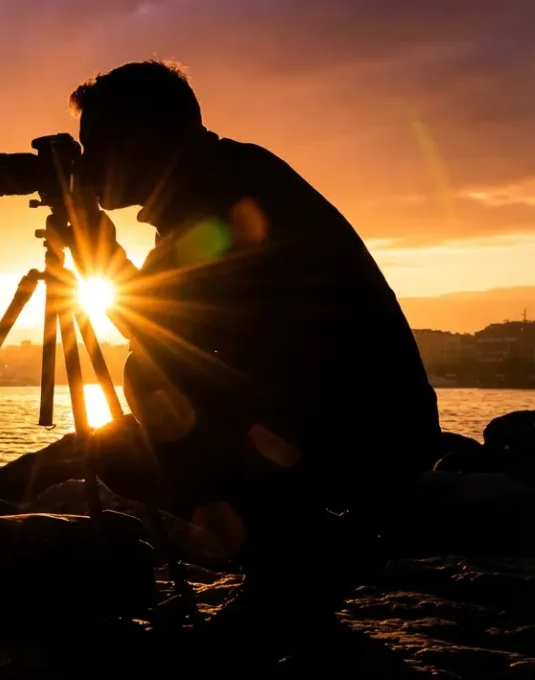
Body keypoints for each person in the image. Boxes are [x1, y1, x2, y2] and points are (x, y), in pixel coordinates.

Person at [63, 60, 442, 646]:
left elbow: (154, 327)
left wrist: (93, 241)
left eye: (96, 147)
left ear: (140, 141)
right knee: (154, 392)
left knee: (139, 406)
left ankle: (294, 574)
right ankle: (289, 569)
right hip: (364, 420)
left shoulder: (219, 200)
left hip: (359, 432)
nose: (87, 167)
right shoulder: (228, 175)